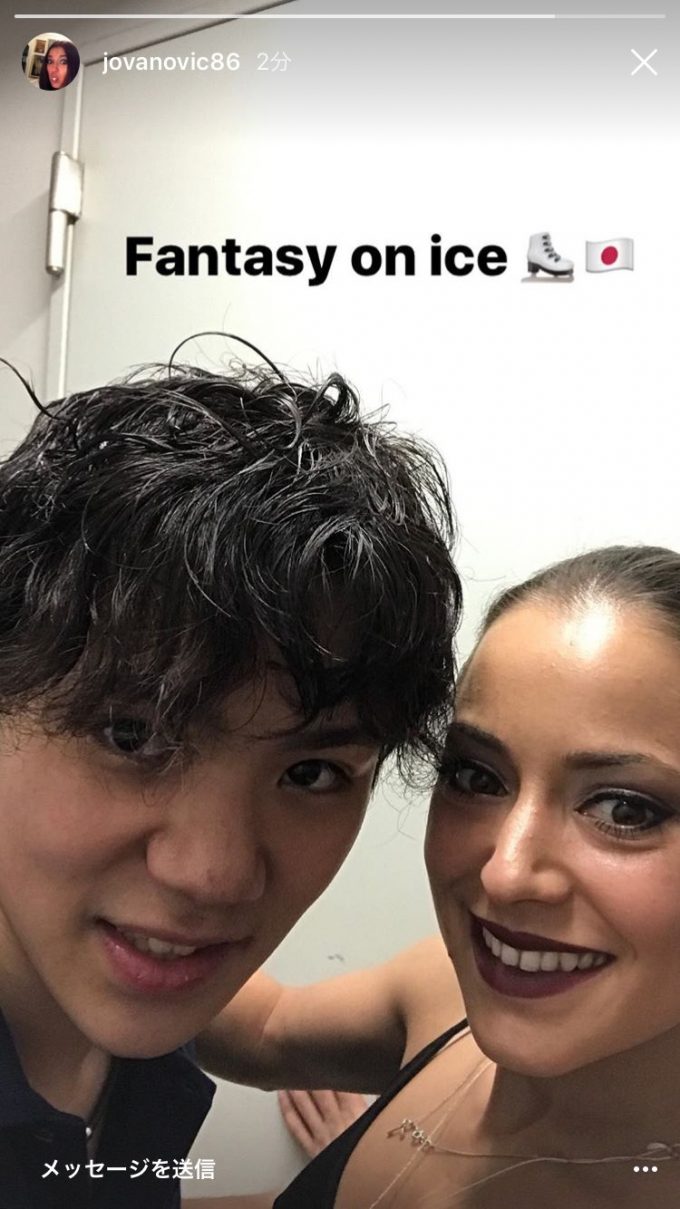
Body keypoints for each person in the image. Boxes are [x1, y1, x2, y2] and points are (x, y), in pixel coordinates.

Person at [0, 353, 462, 1208]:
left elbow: (276, 1026)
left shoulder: (142, 969)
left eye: (312, 771)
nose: (211, 876)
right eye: (132, 734)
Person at [202, 545, 680, 1209]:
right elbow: (264, 1030)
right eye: (476, 777)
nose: (506, 873)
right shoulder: (450, 992)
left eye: (624, 809)